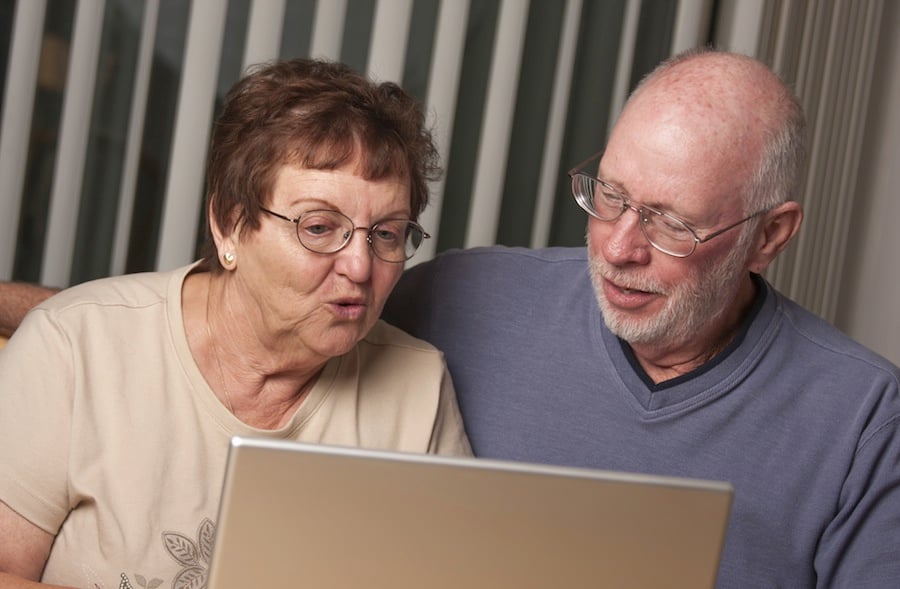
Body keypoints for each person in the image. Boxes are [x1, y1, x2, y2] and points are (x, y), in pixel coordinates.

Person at [383, 48, 900, 587]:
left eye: (672, 223)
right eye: (610, 195)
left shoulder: (866, 418)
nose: (619, 248)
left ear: (768, 237)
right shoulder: (455, 297)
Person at [0, 58, 470, 588]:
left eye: (385, 234)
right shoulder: (72, 348)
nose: (360, 267)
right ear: (229, 224)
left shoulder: (420, 390)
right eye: (319, 227)